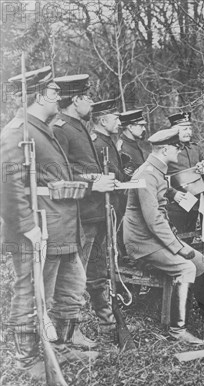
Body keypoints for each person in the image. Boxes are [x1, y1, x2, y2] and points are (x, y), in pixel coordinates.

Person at [1, 66, 98, 379]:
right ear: (39, 94)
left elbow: (57, 177)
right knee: (30, 292)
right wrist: (28, 226)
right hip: (37, 229)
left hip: (61, 224)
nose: (61, 97)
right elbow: (9, 184)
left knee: (71, 286)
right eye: (55, 91)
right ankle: (26, 360)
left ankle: (62, 344)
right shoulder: (18, 131)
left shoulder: (44, 129)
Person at [123, 127, 204, 344]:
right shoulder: (147, 174)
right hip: (142, 242)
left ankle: (184, 314)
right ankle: (177, 331)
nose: (179, 152)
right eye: (177, 148)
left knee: (198, 260)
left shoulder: (156, 171)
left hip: (154, 237)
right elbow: (154, 220)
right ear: (165, 149)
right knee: (186, 266)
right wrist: (178, 247)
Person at [53, 74, 116, 348]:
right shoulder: (61, 128)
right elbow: (61, 172)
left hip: (95, 213)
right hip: (80, 214)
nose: (91, 102)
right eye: (88, 97)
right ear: (76, 99)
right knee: (74, 277)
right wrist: (94, 183)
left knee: (97, 271)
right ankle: (70, 331)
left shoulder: (78, 126)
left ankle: (108, 324)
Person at [165, 112, 204, 238]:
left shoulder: (195, 149)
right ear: (173, 130)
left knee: (189, 239)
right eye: (184, 129)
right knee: (176, 240)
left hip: (194, 204)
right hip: (174, 204)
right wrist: (173, 194)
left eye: (190, 128)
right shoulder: (167, 150)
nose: (188, 132)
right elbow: (158, 177)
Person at [119, 109, 149, 179]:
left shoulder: (132, 144)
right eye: (141, 126)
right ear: (130, 127)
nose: (144, 129)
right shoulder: (124, 148)